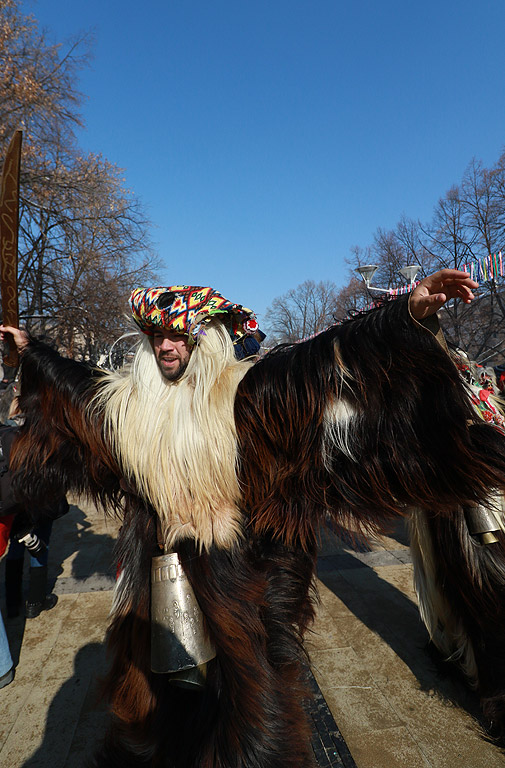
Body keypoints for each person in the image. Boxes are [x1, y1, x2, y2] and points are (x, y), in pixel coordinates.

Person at [1, 270, 505, 767]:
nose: (166, 347)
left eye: (179, 334)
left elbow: (326, 361)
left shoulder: (244, 394)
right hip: (160, 571)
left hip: (240, 574)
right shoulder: (128, 407)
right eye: (157, 336)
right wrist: (33, 352)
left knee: (246, 692)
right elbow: (73, 390)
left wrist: (405, 313)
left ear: (204, 337)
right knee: (163, 692)